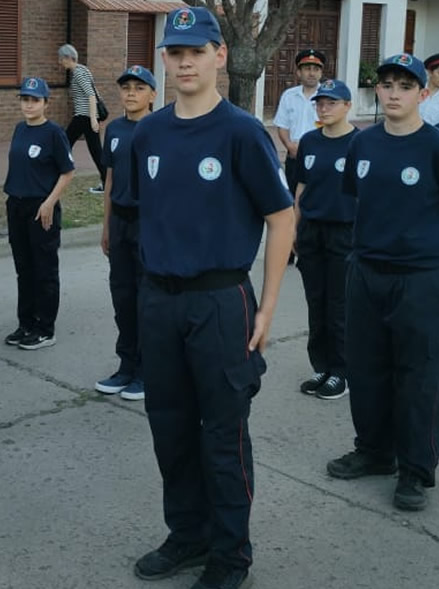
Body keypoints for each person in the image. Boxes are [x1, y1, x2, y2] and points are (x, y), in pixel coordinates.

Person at [129, 7, 295, 589]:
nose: (185, 62)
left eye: (196, 51)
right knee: (170, 428)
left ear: (220, 55)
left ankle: (230, 556)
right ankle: (188, 534)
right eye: (175, 52)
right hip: (160, 302)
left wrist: (268, 306)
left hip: (220, 302)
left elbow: (282, 216)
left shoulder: (242, 132)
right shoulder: (148, 132)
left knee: (222, 435)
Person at [326, 53, 439, 513]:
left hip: (422, 279)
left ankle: (415, 470)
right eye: (387, 84)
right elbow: (360, 200)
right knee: (368, 368)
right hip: (367, 272)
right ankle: (375, 452)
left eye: (404, 86)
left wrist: (428, 249)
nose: (394, 93)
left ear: (423, 93)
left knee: (421, 376)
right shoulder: (363, 144)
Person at [94, 65, 157, 402]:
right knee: (122, 295)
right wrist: (106, 226)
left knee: (147, 298)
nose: (131, 93)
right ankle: (126, 365)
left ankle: (148, 371)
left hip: (148, 222)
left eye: (139, 87)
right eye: (126, 87)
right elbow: (110, 180)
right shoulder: (114, 129)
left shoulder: (161, 128)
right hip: (120, 222)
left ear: (152, 95)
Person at [293, 79, 358, 401]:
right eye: (320, 103)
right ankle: (321, 365)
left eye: (332, 103)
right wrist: (295, 227)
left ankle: (341, 371)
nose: (324, 108)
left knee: (339, 304)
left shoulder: (360, 143)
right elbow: (301, 189)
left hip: (345, 231)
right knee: (316, 302)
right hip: (312, 230)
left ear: (348, 106)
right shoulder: (309, 141)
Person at [3, 76, 74, 350]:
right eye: (25, 99)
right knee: (24, 269)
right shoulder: (20, 129)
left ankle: (45, 328)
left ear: (45, 103)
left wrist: (49, 202)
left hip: (41, 207)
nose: (29, 105)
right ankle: (26, 324)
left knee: (44, 269)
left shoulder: (54, 133)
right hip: (17, 205)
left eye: (34, 100)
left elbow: (67, 173)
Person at [275, 48, 325, 193]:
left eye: (316, 69)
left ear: (321, 73)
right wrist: (289, 146)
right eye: (307, 69)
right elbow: (282, 126)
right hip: (294, 155)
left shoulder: (327, 98)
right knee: (292, 194)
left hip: (320, 154)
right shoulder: (288, 96)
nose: (311, 73)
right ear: (298, 72)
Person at [58, 44, 106, 194]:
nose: (60, 62)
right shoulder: (83, 69)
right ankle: (107, 182)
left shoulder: (78, 73)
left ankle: (60, 173)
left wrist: (92, 119)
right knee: (96, 151)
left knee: (64, 143)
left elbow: (91, 95)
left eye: (61, 59)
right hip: (86, 116)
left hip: (84, 116)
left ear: (68, 57)